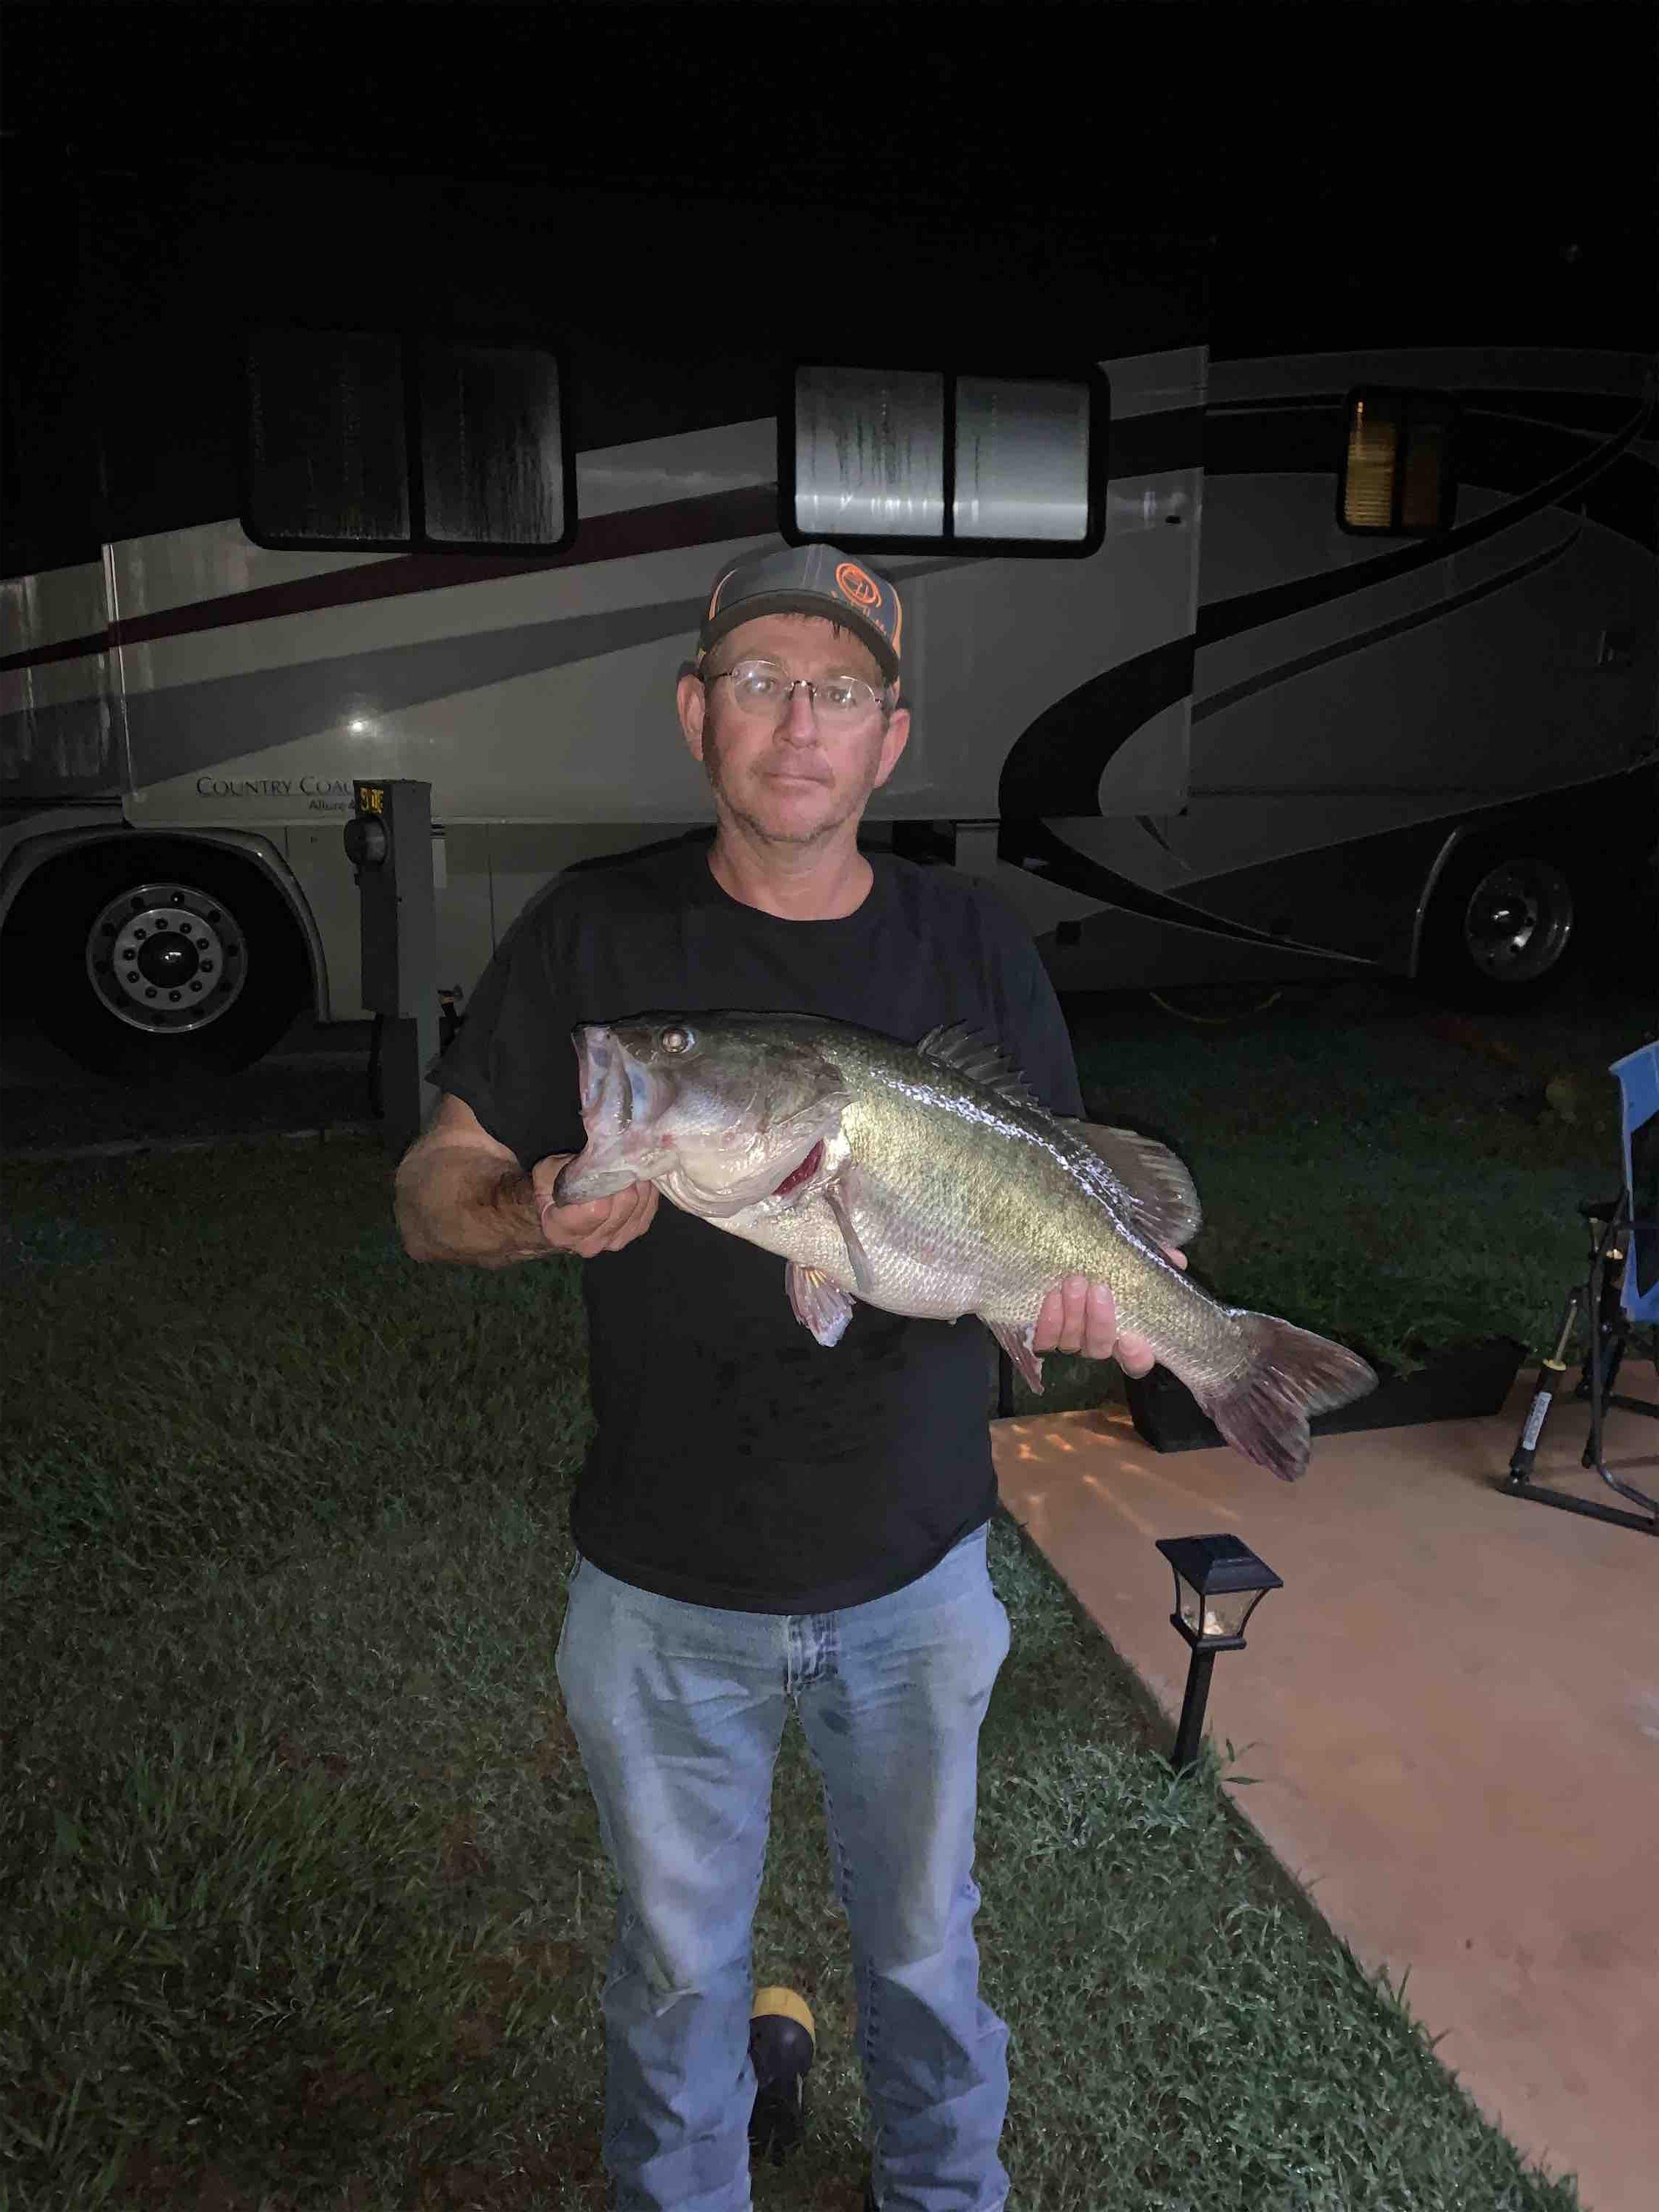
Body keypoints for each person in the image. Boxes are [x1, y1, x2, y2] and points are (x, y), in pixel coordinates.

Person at [395, 545, 1170, 2212]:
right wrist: (530, 1207)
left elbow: (1063, 1205)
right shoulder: (598, 930)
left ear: (892, 738)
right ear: (698, 715)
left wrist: (1080, 1305)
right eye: (758, 685)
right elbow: (428, 1194)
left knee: (926, 1953)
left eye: (837, 692)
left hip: (917, 1571)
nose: (797, 726)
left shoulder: (973, 946)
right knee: (679, 1976)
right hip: (662, 1584)